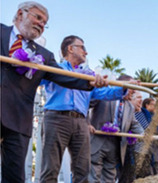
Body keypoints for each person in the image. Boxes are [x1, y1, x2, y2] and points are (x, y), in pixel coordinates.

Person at [0, 2, 105, 183]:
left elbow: (65, 78)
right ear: (20, 14)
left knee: (15, 176)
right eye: (38, 17)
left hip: (17, 120)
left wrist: (92, 82)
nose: (41, 24)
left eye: (44, 22)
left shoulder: (44, 56)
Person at [40, 35, 122, 183]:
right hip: (56, 119)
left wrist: (124, 89)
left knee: (83, 170)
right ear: (70, 49)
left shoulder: (89, 76)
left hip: (81, 122)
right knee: (50, 168)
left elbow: (103, 93)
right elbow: (37, 79)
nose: (86, 52)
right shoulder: (55, 69)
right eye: (83, 47)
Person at [88, 75, 144, 183]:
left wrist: (147, 135)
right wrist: (86, 123)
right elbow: (85, 105)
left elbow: (135, 124)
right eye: (131, 88)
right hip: (96, 142)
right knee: (93, 177)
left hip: (115, 146)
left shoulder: (130, 106)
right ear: (121, 86)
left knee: (110, 178)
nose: (133, 92)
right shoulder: (105, 96)